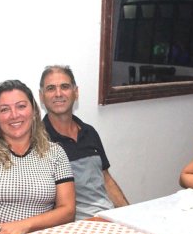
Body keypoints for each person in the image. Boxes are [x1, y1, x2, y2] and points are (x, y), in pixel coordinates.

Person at [0, 80, 75, 234]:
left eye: (21, 106)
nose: (14, 115)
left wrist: (23, 226)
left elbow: (67, 210)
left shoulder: (56, 153)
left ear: (34, 111)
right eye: (4, 109)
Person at [39, 65, 128, 220]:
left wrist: (129, 213)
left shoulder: (89, 132)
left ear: (76, 92)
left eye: (65, 87)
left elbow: (105, 178)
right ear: (41, 96)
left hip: (107, 216)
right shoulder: (38, 140)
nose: (58, 94)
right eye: (51, 88)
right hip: (74, 224)